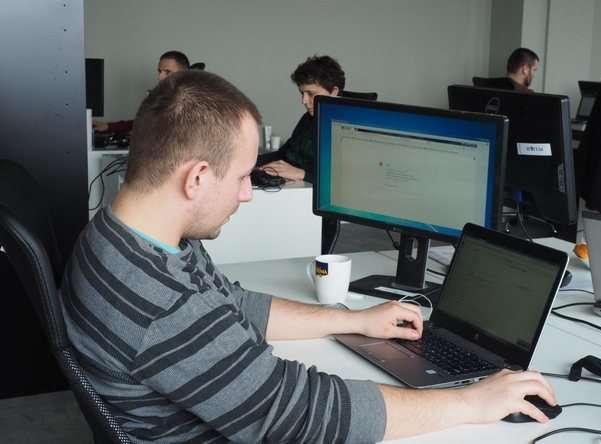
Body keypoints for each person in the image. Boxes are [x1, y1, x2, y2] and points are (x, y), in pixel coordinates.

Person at [61, 70, 557, 443]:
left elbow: (233, 304)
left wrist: (354, 321)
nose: (247, 194)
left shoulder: (124, 235)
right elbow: (299, 415)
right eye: (243, 177)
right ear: (196, 178)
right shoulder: (162, 301)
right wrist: (468, 402)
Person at [257, 55, 344, 183]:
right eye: (302, 93)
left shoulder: (344, 128)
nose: (304, 101)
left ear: (334, 92)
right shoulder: (308, 118)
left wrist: (301, 174)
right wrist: (250, 162)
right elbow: (284, 154)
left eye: (311, 94)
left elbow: (343, 177)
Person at [92, 50, 191, 133]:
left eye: (167, 72)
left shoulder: (192, 102)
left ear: (183, 74)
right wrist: (108, 126)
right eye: (159, 71)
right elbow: (146, 122)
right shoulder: (164, 97)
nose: (160, 77)